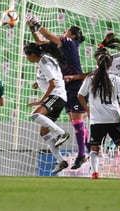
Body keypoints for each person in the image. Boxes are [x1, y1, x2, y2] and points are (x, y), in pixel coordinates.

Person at [26, 15, 88, 170]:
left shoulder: (69, 43)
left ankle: (83, 153)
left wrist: (36, 23)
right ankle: (63, 159)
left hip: (74, 86)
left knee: (76, 122)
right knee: (47, 129)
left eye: (67, 31)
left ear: (73, 35)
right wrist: (32, 29)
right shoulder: (59, 49)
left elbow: (46, 36)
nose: (64, 33)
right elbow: (41, 42)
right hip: (65, 88)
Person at [77, 46, 120, 180]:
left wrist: (87, 109)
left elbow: (80, 95)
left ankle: (95, 173)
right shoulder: (115, 78)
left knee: (95, 148)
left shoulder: (91, 78)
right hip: (113, 117)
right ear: (110, 64)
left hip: (97, 119)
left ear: (98, 63)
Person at [24, 43, 71, 174]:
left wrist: (41, 100)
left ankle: (61, 133)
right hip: (58, 96)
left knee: (34, 115)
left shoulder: (44, 62)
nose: (27, 58)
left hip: (56, 95)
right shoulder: (46, 59)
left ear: (32, 55)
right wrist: (38, 82)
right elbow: (52, 76)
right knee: (44, 132)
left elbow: (52, 83)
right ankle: (61, 160)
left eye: (27, 56)